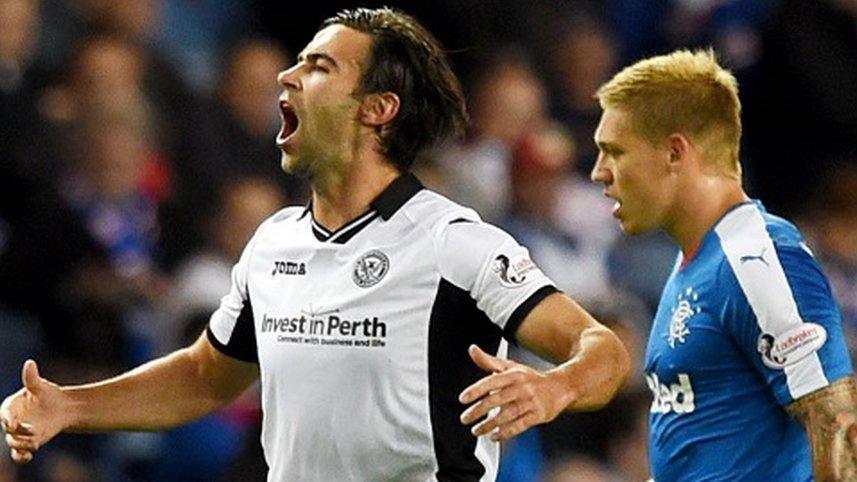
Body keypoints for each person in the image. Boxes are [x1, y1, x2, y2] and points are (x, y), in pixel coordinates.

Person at [1, 7, 630, 481]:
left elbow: (600, 347)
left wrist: (556, 387)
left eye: (319, 66)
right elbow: (203, 374)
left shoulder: (452, 243)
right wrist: (70, 406)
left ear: (378, 108)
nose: (287, 73)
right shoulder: (272, 243)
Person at [590, 49, 857, 481]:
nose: (599, 173)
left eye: (614, 152)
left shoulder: (757, 259)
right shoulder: (696, 261)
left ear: (675, 153)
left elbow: (838, 424)